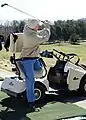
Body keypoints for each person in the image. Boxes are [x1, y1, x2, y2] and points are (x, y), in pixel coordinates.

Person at [19, 19, 51, 111]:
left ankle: (32, 79)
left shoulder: (27, 28)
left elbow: (38, 32)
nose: (38, 26)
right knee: (31, 81)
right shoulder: (33, 38)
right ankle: (31, 103)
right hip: (27, 59)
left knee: (40, 71)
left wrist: (43, 27)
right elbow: (46, 38)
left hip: (35, 57)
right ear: (33, 27)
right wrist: (47, 28)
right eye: (37, 25)